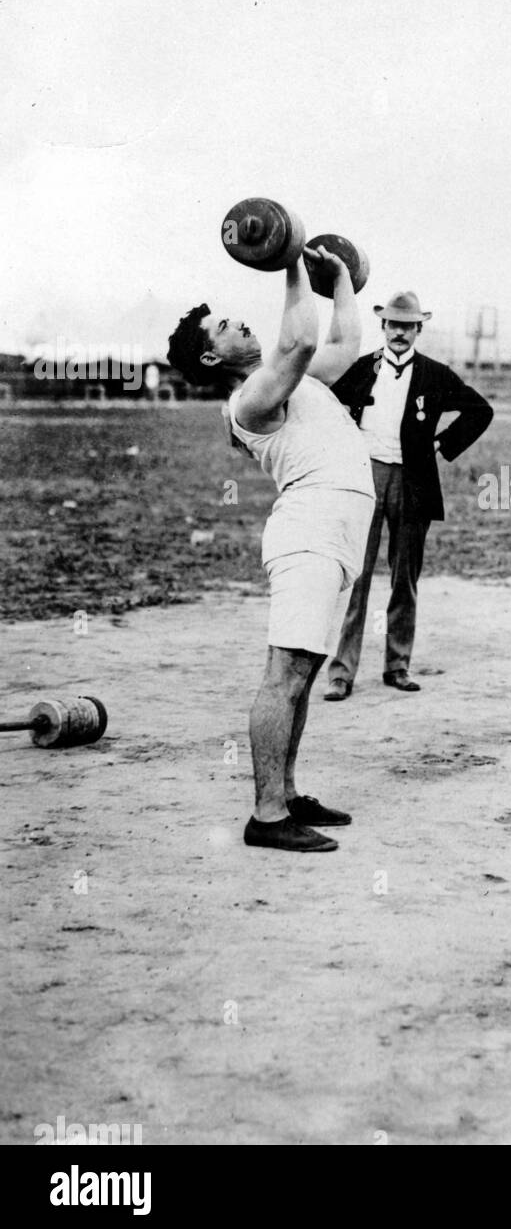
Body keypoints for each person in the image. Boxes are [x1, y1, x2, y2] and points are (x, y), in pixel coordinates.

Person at [166, 247, 373, 852]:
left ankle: (285, 789)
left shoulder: (291, 380)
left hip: (334, 531)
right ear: (211, 356)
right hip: (309, 532)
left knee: (303, 672)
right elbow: (303, 341)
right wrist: (292, 262)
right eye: (226, 327)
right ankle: (267, 815)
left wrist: (336, 281)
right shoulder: (251, 399)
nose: (242, 324)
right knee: (285, 672)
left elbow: (342, 344)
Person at [324, 291, 493, 698]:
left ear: (419, 329)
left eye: (408, 326)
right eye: (393, 325)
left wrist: (442, 443)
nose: (399, 333)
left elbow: (480, 410)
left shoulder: (435, 374)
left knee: (405, 578)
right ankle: (341, 672)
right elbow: (329, 407)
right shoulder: (361, 369)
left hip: (413, 483)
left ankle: (397, 666)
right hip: (365, 479)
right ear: (383, 327)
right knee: (355, 576)